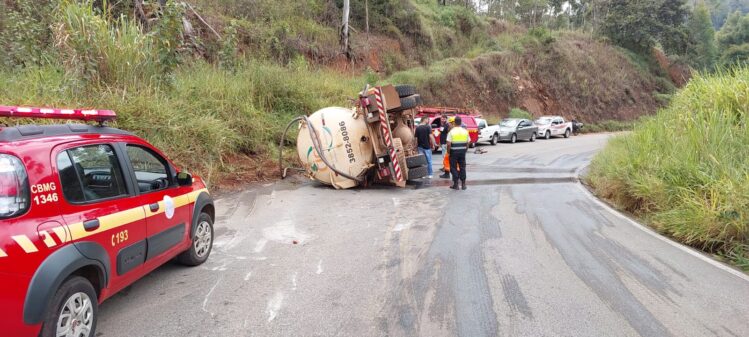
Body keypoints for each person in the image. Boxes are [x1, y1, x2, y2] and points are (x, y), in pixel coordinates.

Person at [446, 116, 469, 190]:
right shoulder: (465, 131)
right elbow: (468, 142)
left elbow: (448, 144)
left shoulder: (451, 132)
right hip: (462, 152)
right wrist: (465, 150)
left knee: (453, 168)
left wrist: (448, 152)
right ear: (461, 122)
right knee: (462, 167)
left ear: (455, 122)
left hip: (453, 152)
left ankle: (456, 184)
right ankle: (463, 184)